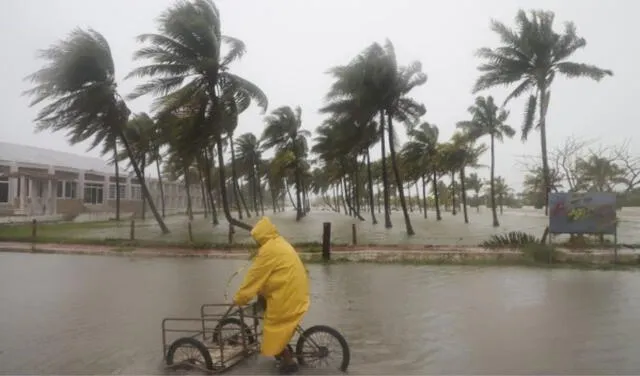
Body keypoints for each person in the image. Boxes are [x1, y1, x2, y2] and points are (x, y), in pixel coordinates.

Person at [233, 216, 310, 374]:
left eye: (256, 239)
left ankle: (288, 361)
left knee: (271, 330)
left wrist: (240, 299)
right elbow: (272, 275)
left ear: (261, 236)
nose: (256, 242)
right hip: (297, 292)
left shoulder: (268, 251)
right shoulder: (279, 242)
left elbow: (253, 278)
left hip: (287, 297)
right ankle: (283, 349)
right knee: (278, 325)